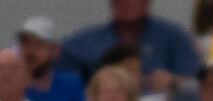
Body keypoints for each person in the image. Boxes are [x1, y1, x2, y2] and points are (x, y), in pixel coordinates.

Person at [59, 0, 200, 92]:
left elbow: (199, 81)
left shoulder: (174, 36)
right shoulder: (88, 41)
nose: (125, 3)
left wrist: (173, 81)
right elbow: (55, 71)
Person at [18, 17, 86, 101]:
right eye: (25, 44)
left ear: (55, 51)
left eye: (37, 45)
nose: (30, 51)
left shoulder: (71, 84)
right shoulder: (9, 85)